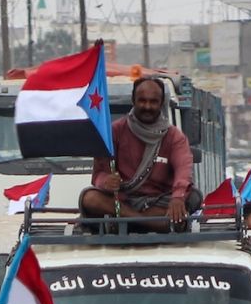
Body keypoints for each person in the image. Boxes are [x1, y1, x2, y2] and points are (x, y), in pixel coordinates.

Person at [79, 76, 194, 228]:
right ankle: (146, 222)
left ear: (161, 104)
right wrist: (106, 181)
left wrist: (178, 197)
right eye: (142, 100)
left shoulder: (174, 137)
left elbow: (183, 170)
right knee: (89, 198)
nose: (147, 106)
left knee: (193, 197)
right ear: (133, 101)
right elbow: (98, 174)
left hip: (158, 201)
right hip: (123, 202)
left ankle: (131, 222)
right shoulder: (115, 131)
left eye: (153, 102)